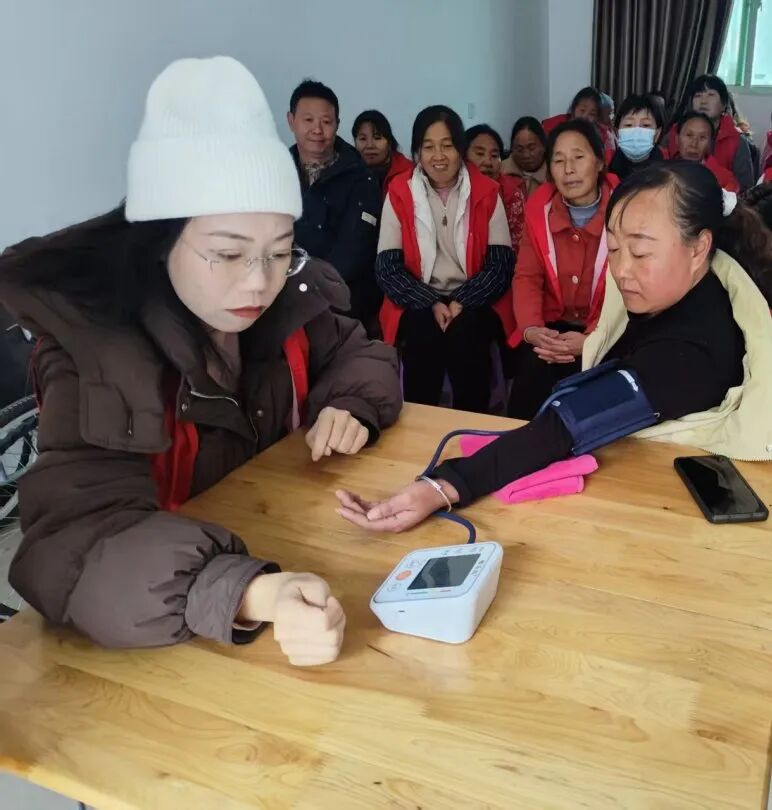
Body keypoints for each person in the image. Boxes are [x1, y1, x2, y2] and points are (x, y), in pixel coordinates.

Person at [0, 57, 403, 661]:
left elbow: (360, 352)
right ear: (161, 241)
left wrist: (351, 404)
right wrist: (244, 593)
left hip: (289, 546)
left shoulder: (287, 304)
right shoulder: (99, 355)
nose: (258, 282)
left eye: (278, 252)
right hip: (174, 641)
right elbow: (73, 549)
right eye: (227, 253)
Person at [336, 162, 772, 534]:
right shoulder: (687, 285)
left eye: (640, 253)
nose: (621, 270)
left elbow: (570, 425)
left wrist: (441, 487)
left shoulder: (694, 351)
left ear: (699, 248)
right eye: (614, 248)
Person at [375, 105, 515, 414]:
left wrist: (461, 301)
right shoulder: (399, 192)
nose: (438, 156)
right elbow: (387, 268)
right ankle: (421, 424)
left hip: (475, 296)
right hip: (419, 296)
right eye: (428, 147)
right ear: (417, 152)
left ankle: (470, 423)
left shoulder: (486, 192)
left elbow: (500, 266)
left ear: (460, 149)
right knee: (422, 332)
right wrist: (431, 302)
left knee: (467, 334)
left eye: (447, 146)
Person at [507, 119, 619, 420]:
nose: (568, 169)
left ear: (599, 162)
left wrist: (593, 339)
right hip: (550, 327)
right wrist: (532, 329)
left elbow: (627, 288)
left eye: (578, 157)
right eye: (558, 160)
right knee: (530, 379)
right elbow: (527, 277)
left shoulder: (625, 209)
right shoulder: (539, 209)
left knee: (593, 399)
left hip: (605, 329)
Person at [287, 80, 382, 334]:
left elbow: (354, 250)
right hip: (286, 288)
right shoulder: (276, 172)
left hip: (343, 294)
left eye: (326, 122)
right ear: (291, 121)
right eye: (308, 120)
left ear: (337, 124)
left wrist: (309, 291)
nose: (317, 130)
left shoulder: (361, 177)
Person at [667, 75, 754, 190]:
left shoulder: (738, 141)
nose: (703, 101)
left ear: (724, 104)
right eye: (698, 95)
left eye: (711, 95)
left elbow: (746, 187)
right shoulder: (675, 132)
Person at [465, 124, 526, 251]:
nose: (488, 162)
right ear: (463, 157)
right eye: (480, 154)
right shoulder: (451, 190)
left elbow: (518, 250)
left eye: (494, 156)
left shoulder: (513, 195)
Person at [352, 109, 413, 197]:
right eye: (363, 139)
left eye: (377, 138)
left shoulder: (410, 173)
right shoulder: (348, 174)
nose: (370, 145)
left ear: (389, 143)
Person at [674, 112, 740, 192]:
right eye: (689, 135)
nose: (694, 144)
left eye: (702, 137)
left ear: (710, 144)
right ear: (677, 139)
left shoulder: (724, 180)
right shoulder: (664, 167)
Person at [608, 94, 665, 180]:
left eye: (645, 125)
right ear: (617, 132)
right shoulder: (605, 168)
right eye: (628, 125)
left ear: (657, 134)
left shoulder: (669, 172)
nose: (636, 131)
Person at [501, 117, 548, 198]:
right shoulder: (500, 171)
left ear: (543, 146)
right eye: (520, 149)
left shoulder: (554, 173)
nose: (526, 155)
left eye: (532, 148)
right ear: (512, 149)